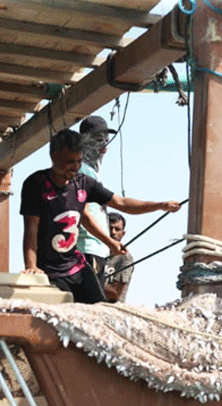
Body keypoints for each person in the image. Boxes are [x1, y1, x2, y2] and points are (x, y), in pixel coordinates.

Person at [20, 128, 181, 304]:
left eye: (79, 161)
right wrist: (31, 266)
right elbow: (31, 227)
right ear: (54, 157)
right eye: (69, 162)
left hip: (76, 265)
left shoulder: (83, 183)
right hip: (49, 270)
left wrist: (160, 205)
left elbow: (120, 203)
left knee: (99, 307)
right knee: (67, 309)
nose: (75, 167)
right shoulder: (36, 184)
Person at [75, 115, 116, 287]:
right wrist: (110, 242)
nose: (104, 148)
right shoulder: (82, 171)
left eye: (106, 141)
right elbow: (84, 214)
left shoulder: (91, 172)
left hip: (96, 249)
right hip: (87, 249)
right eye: (99, 141)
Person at [104, 212, 133, 303]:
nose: (113, 232)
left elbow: (115, 292)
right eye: (110, 228)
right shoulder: (94, 251)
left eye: (117, 229)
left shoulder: (125, 258)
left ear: (123, 233)